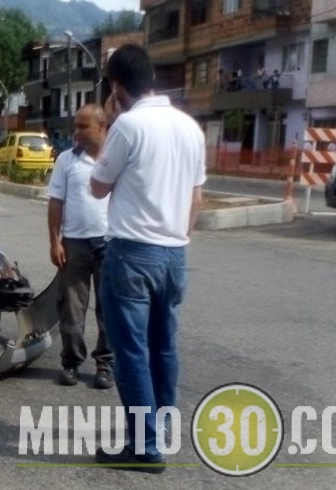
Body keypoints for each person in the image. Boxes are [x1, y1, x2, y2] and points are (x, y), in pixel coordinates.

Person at [90, 44, 206, 473]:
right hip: (175, 253)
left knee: (132, 352)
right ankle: (159, 430)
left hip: (132, 254)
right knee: (164, 347)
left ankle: (145, 447)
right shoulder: (190, 127)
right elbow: (197, 197)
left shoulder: (127, 126)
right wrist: (176, 237)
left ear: (116, 87)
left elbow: (97, 187)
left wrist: (111, 122)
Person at [46, 104, 114, 390]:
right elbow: (56, 202)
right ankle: (71, 362)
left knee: (109, 308)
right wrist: (55, 241)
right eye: (75, 126)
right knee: (71, 308)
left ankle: (105, 364)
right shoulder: (66, 160)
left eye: (83, 126)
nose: (76, 132)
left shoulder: (116, 158)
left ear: (102, 127)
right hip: (74, 244)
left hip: (111, 244)